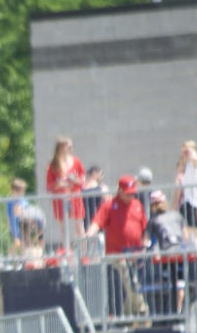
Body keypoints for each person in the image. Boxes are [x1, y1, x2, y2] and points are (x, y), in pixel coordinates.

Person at [85, 175, 149, 320]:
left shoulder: (137, 205)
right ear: (119, 190)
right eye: (128, 193)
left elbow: (145, 227)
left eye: (132, 192)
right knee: (129, 280)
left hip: (136, 255)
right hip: (117, 255)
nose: (130, 195)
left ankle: (127, 318)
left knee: (133, 285)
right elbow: (97, 222)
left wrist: (145, 245)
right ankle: (142, 309)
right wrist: (88, 235)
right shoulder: (109, 205)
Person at [146, 189, 187, 313]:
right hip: (180, 253)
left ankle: (176, 310)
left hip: (167, 256)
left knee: (173, 283)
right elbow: (186, 236)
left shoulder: (153, 220)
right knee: (180, 282)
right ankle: (178, 310)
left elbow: (145, 241)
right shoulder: (176, 215)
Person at [45, 136, 87, 244]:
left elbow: (83, 178)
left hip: (75, 196)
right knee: (64, 228)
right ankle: (67, 251)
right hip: (61, 198)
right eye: (69, 147)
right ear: (61, 148)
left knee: (79, 224)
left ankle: (84, 252)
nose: (71, 149)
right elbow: (49, 185)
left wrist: (76, 180)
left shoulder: (76, 161)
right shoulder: (53, 165)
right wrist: (60, 183)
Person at [173, 140, 197, 246]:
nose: (184, 154)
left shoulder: (196, 164)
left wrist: (188, 149)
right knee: (188, 231)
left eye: (186, 152)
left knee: (194, 232)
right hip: (188, 203)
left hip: (193, 202)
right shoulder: (188, 166)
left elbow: (195, 157)